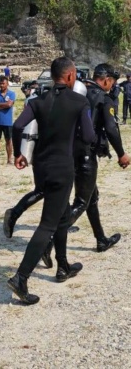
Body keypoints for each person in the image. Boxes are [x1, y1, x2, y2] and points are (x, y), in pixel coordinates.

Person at [6, 57, 96, 305]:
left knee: (63, 216)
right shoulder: (79, 101)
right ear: (68, 76)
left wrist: (18, 154)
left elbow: (17, 126)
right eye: (75, 75)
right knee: (47, 225)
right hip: (61, 169)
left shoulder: (37, 101)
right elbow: (88, 136)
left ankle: (63, 265)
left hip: (41, 167)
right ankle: (21, 277)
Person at [67, 64, 128, 252]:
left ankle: (101, 239)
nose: (111, 86)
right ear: (107, 80)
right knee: (81, 202)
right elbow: (111, 129)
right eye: (111, 83)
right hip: (86, 154)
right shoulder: (103, 97)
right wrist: (122, 154)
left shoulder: (79, 92)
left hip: (69, 151)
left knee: (91, 197)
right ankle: (48, 239)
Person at [0, 77, 16, 164]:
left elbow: (9, 104)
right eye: (0, 83)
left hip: (8, 122)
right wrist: (4, 105)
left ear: (7, 84)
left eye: (3, 83)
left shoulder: (12, 94)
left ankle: (9, 159)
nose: (1, 85)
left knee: (8, 140)